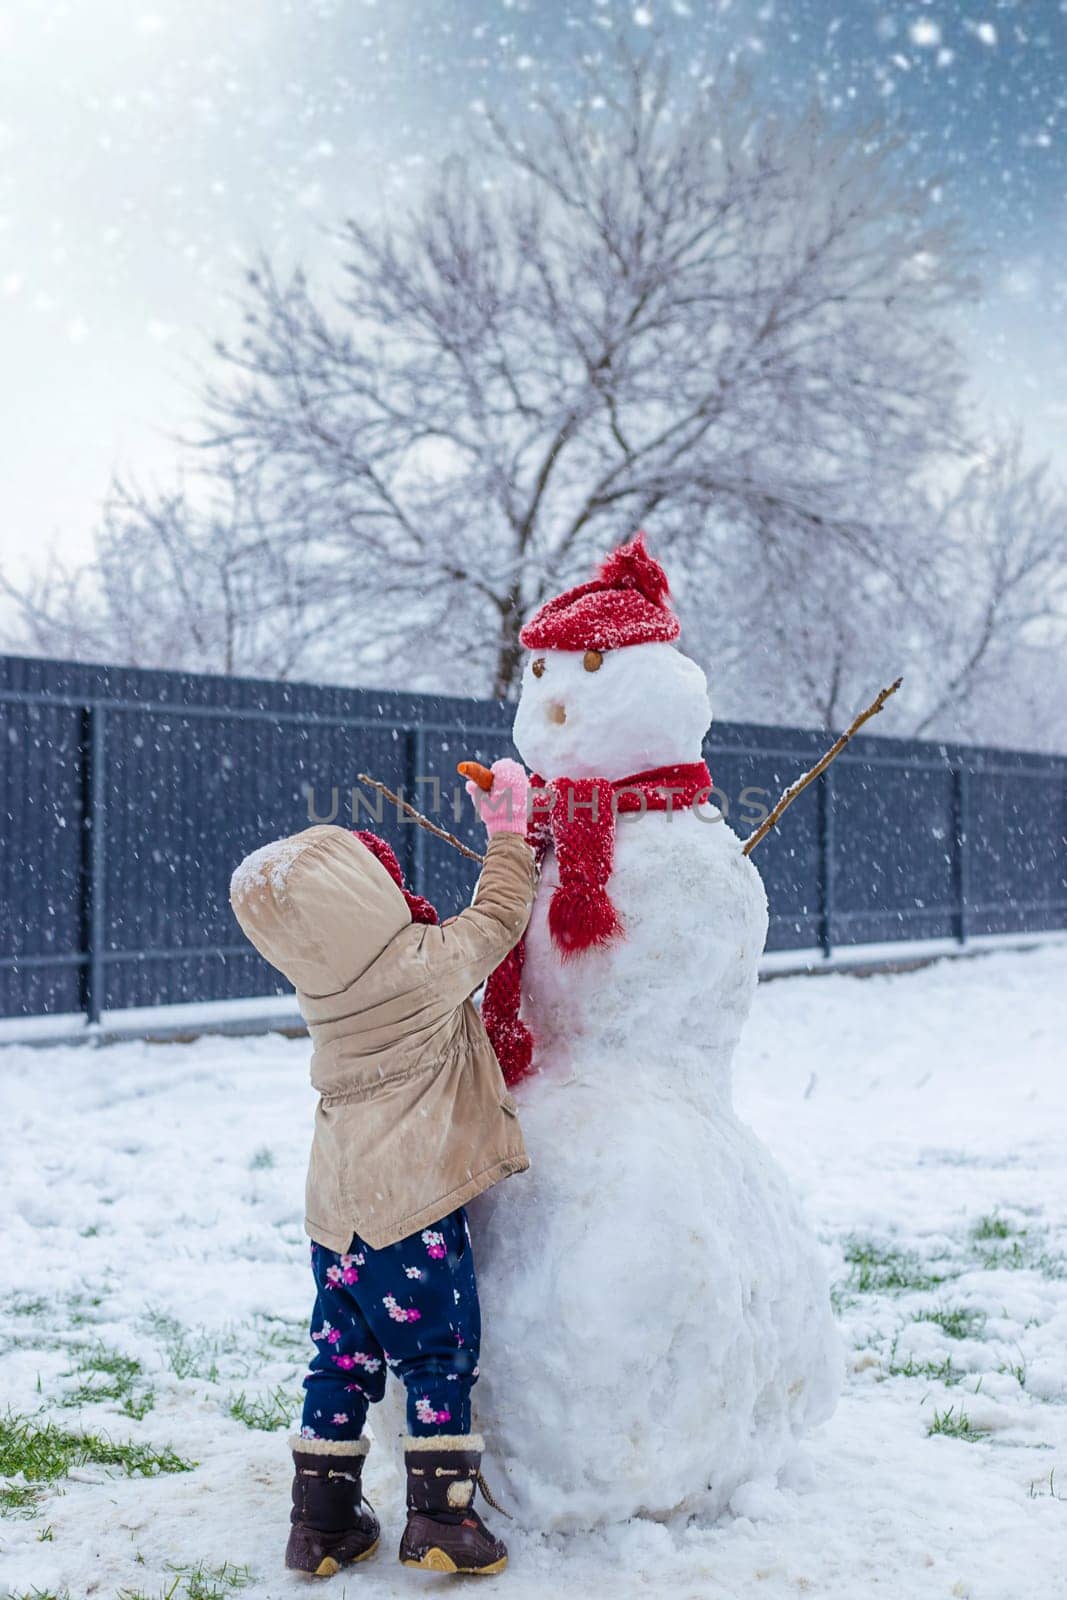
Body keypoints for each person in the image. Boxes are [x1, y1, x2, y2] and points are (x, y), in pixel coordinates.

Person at [229, 759, 533, 1578]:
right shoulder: (423, 967)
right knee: (438, 1354)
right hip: (410, 1208)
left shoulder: (322, 991)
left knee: (340, 1359)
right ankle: (440, 1519)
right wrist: (506, 828)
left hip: (336, 1215)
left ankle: (321, 1523)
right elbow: (502, 914)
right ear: (371, 903)